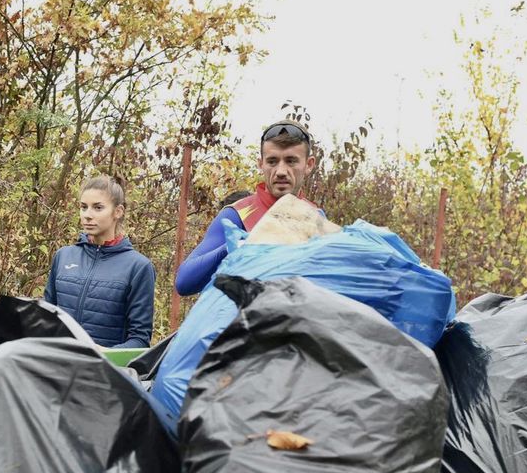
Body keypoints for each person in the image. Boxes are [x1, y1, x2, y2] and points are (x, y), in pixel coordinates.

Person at [175, 120, 327, 296]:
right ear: (261, 164)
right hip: (244, 312)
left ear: (309, 164)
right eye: (272, 161)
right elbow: (184, 283)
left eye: (291, 161)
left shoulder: (316, 217)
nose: (281, 171)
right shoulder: (237, 215)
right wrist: (232, 247)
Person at [45, 175, 156, 348]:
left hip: (104, 365)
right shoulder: (63, 256)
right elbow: (44, 320)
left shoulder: (138, 267)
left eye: (98, 208)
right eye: (83, 207)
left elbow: (140, 340)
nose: (87, 215)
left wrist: (103, 355)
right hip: (57, 362)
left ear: (118, 211)